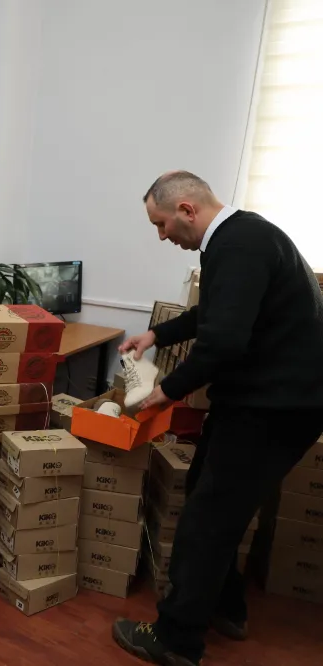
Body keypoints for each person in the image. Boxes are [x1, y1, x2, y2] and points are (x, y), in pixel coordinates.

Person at [111, 171, 323, 666]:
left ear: (187, 210)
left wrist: (166, 391)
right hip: (269, 403)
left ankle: (175, 640)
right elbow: (213, 313)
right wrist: (157, 335)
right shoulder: (241, 237)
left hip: (271, 409)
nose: (161, 236)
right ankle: (226, 607)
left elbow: (222, 342)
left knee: (206, 522)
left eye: (161, 224)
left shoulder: (238, 245)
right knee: (213, 502)